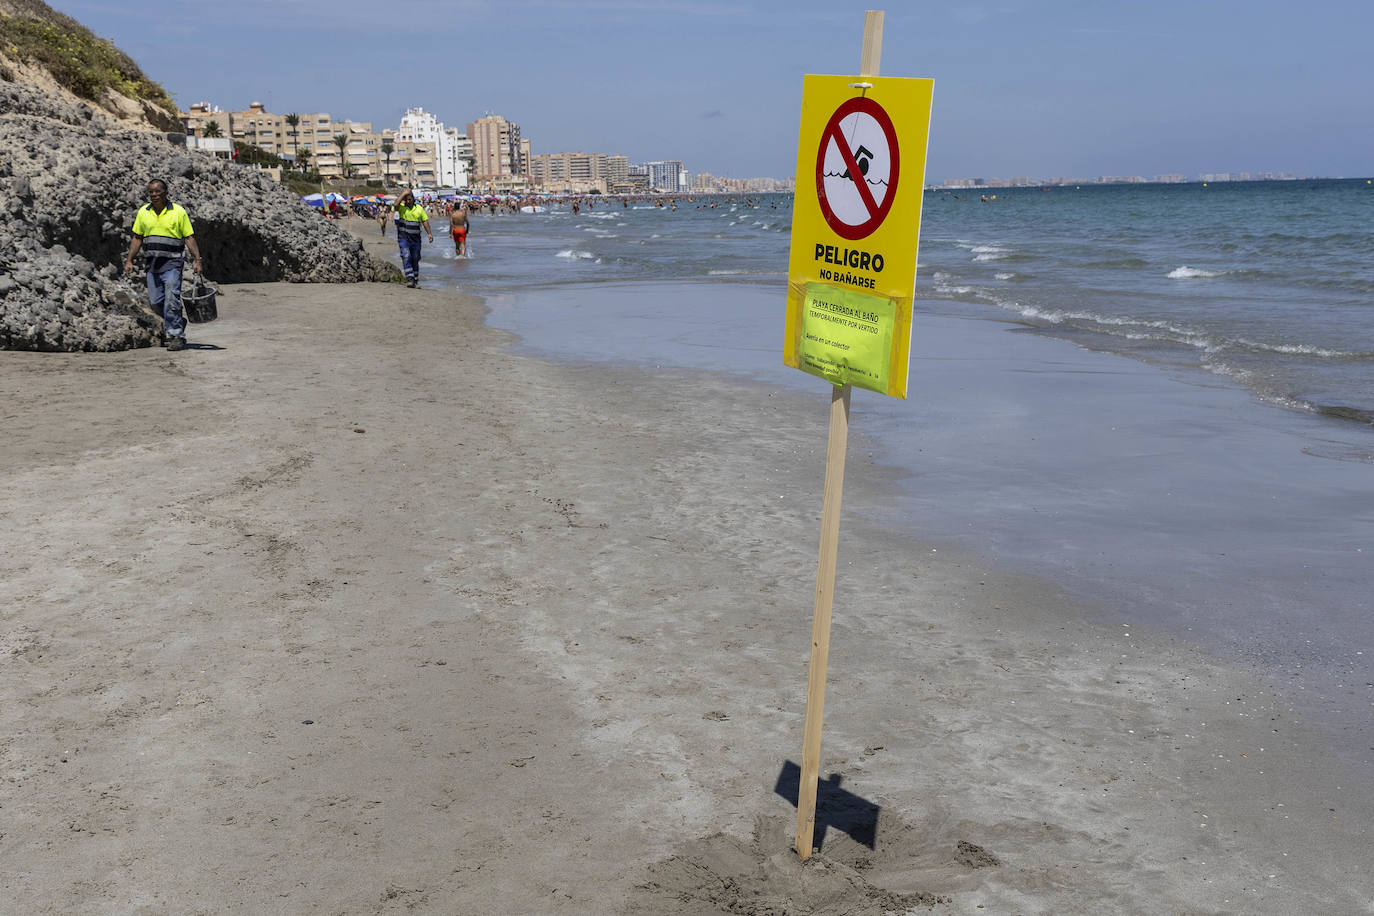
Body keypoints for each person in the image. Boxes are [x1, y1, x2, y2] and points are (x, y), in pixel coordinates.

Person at [123, 179, 203, 351]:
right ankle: (175, 322)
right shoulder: (143, 212)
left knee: (172, 299)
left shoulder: (178, 212)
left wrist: (197, 260)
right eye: (151, 192)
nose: (154, 195)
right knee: (155, 302)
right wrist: (129, 260)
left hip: (173, 263)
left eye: (157, 191)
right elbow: (137, 238)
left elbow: (189, 238)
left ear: (166, 193)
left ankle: (177, 336)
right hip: (152, 265)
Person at [394, 189, 433, 288]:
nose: (408, 201)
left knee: (415, 258)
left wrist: (429, 233)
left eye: (409, 199)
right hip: (403, 237)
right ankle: (410, 278)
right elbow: (395, 204)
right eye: (406, 200)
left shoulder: (419, 209)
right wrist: (404, 193)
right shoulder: (401, 208)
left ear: (413, 199)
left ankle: (415, 279)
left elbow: (425, 221)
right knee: (406, 256)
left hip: (416, 239)